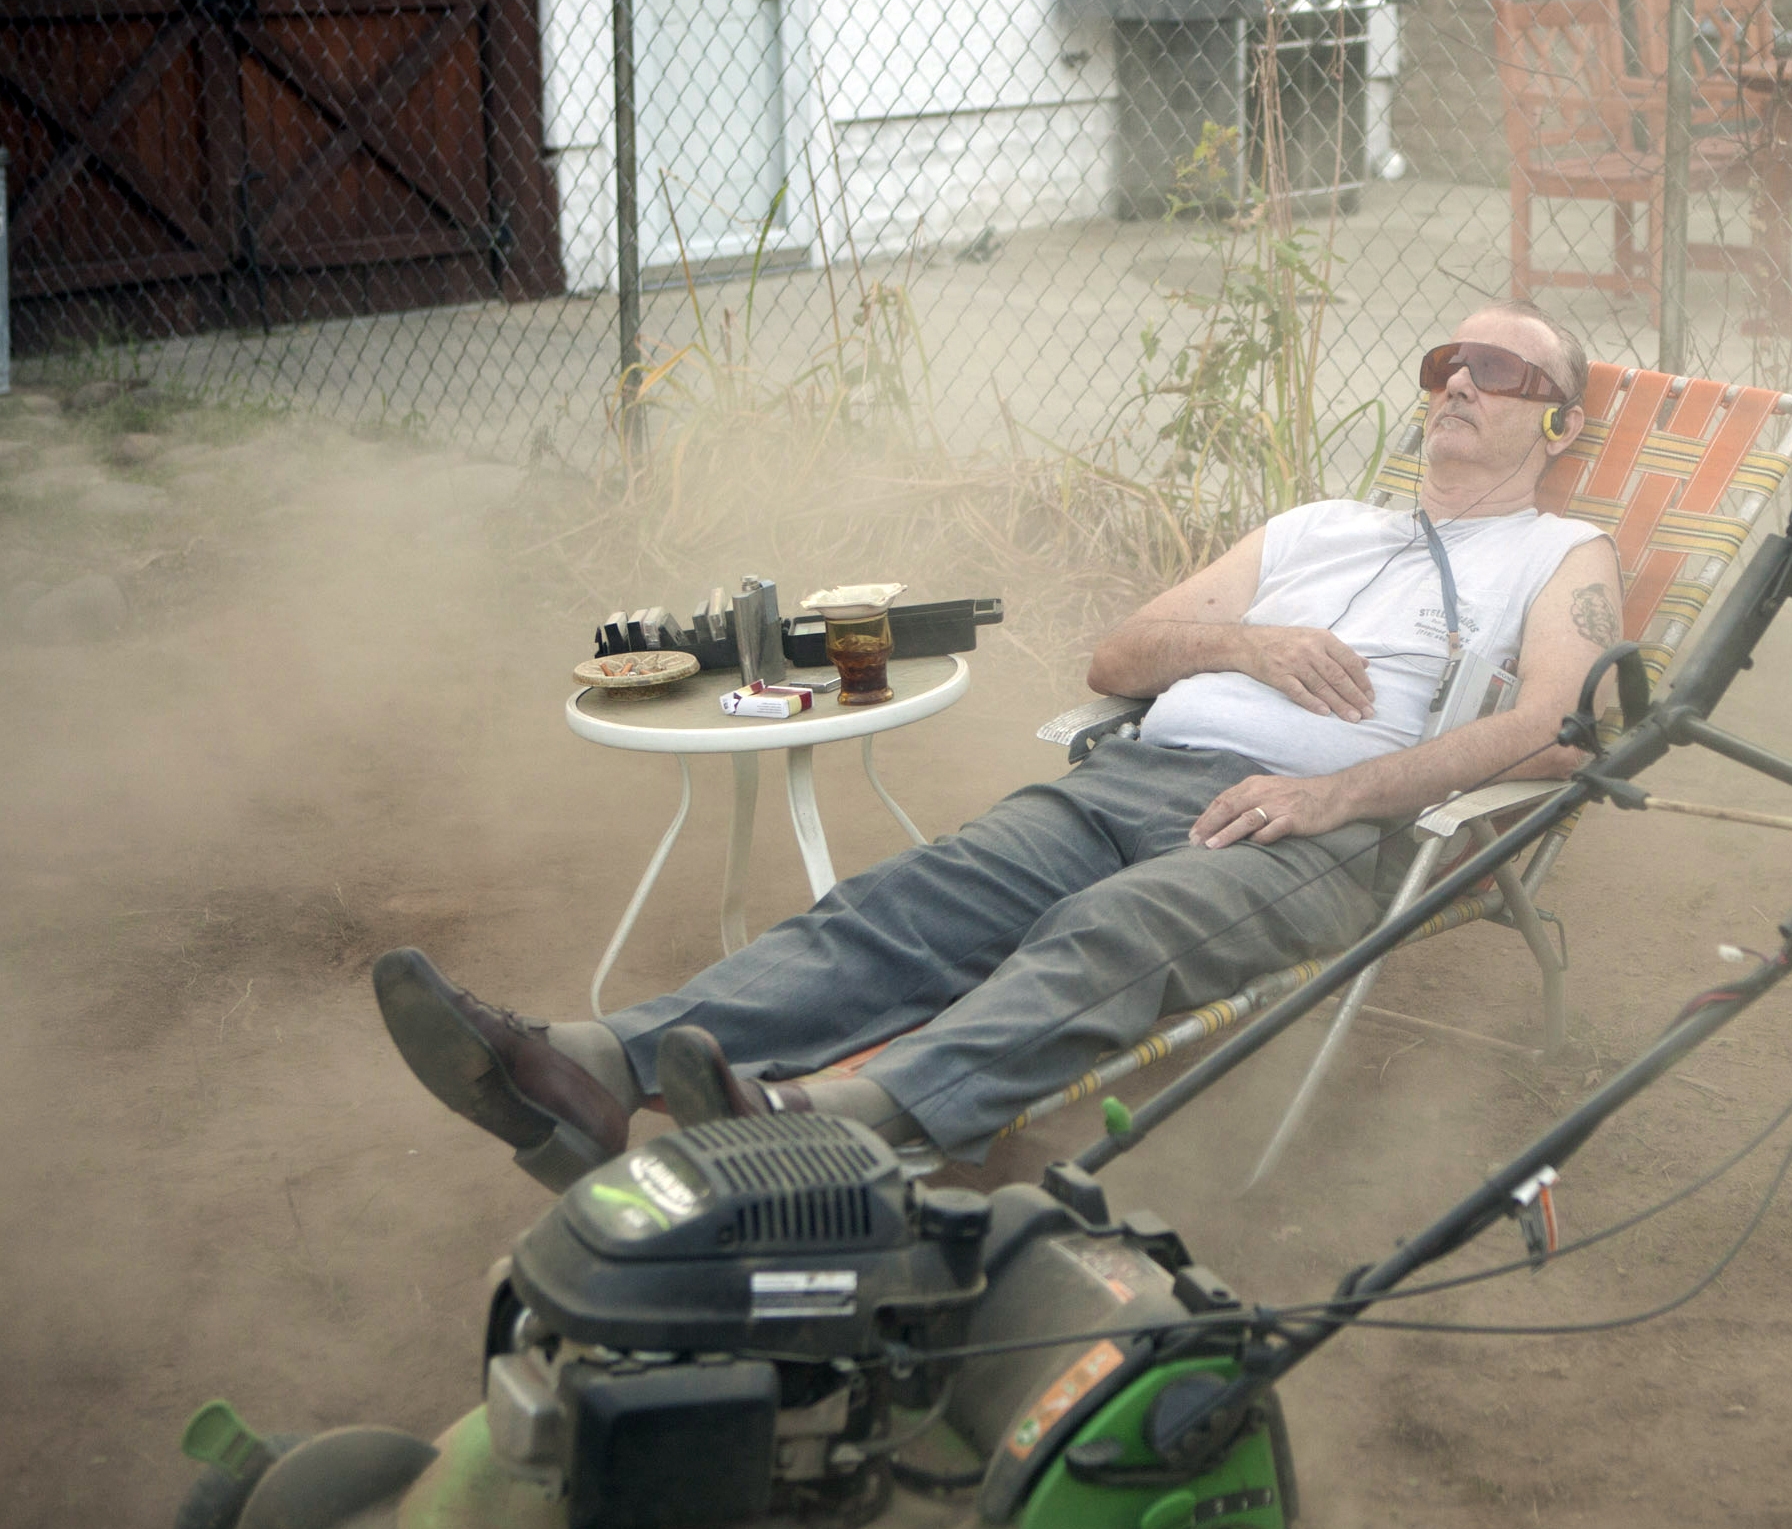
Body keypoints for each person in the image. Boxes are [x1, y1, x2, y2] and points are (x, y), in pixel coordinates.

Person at [375, 301, 1623, 1190]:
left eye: (1502, 371)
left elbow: (1566, 732)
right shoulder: (1317, 527)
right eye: (1448, 359)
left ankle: (844, 1120)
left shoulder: (1559, 556)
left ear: (1557, 430)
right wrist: (1246, 643)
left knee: (1111, 936)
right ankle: (591, 1068)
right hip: (1135, 772)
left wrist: (1339, 790)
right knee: (912, 899)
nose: (1458, 381)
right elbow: (1119, 658)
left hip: (1307, 824)